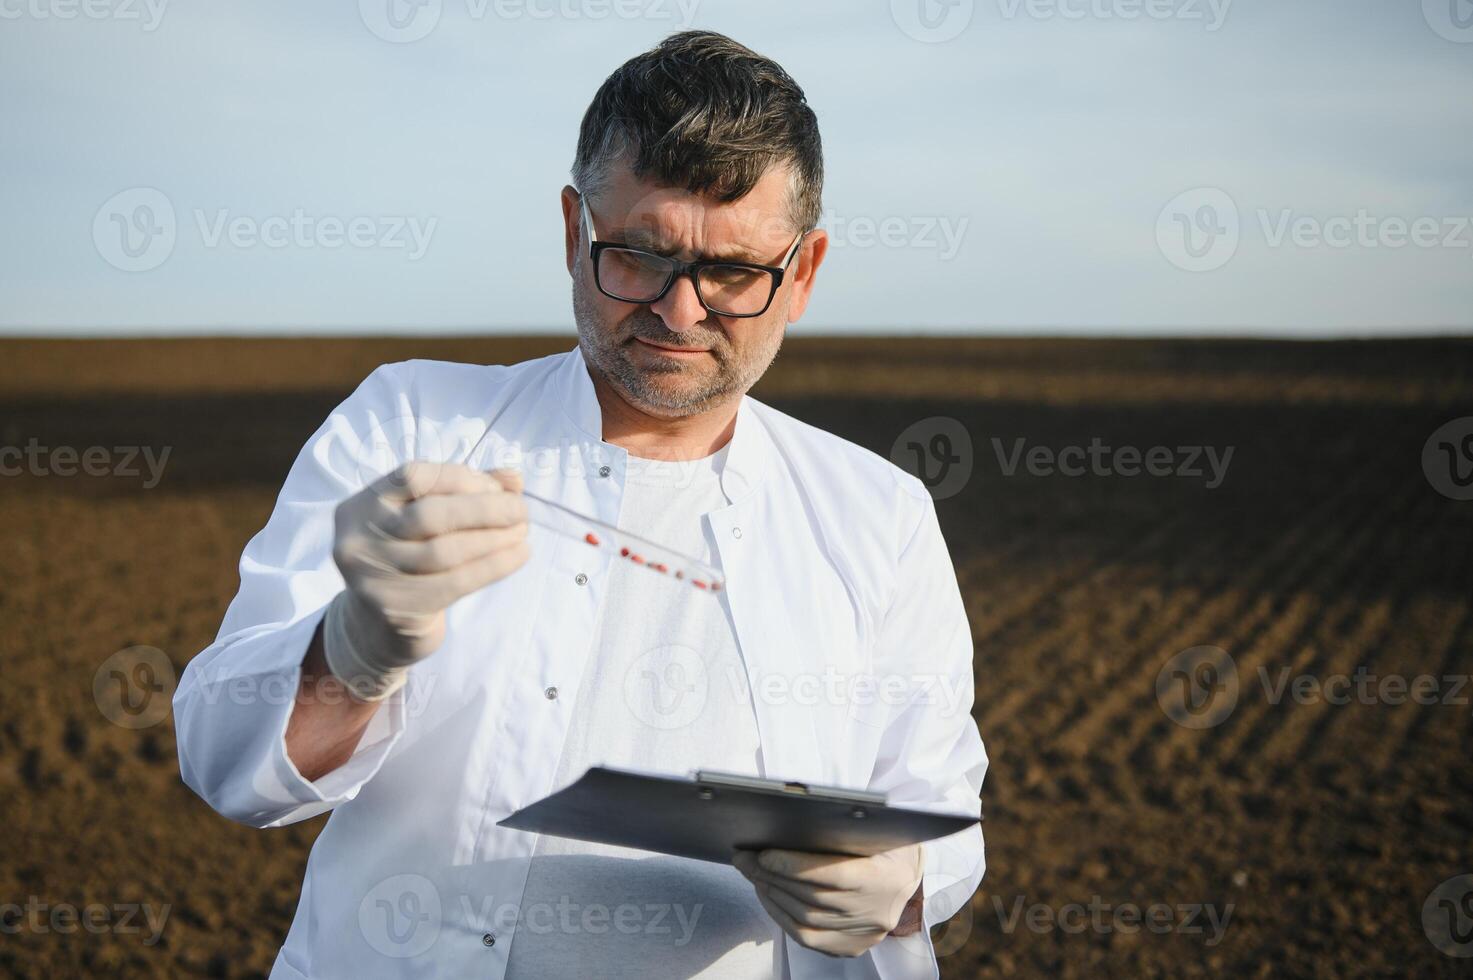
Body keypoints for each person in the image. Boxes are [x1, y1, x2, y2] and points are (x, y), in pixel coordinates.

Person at [174, 30, 986, 980]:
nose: (680, 312)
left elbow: (935, 801)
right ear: (573, 231)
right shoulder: (412, 427)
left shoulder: (876, 511)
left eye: (731, 273)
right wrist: (352, 647)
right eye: (638, 256)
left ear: (801, 274)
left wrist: (905, 880)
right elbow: (227, 765)